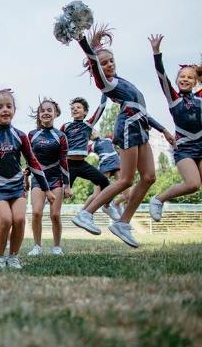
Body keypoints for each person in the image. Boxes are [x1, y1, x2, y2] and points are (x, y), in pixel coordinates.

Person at [71, 25, 174, 247]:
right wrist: (82, 42)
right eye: (103, 63)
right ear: (96, 67)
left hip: (140, 128)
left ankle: (123, 223)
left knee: (149, 177)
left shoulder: (124, 81)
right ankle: (86, 213)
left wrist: (163, 130)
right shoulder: (106, 83)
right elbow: (93, 59)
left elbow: (142, 110)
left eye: (111, 60)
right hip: (126, 127)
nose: (108, 64)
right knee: (126, 179)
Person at [0, 90, 55, 269]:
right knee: (5, 220)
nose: (5, 110)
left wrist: (46, 189)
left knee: (19, 220)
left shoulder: (20, 136)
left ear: (14, 110)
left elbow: (33, 161)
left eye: (8, 106)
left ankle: (13, 257)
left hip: (17, 185)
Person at [148, 34, 202, 220]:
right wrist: (156, 53)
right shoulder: (174, 98)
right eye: (182, 76)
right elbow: (162, 76)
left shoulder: (200, 97)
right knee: (193, 184)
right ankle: (159, 199)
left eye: (190, 77)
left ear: (196, 82)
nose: (185, 79)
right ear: (177, 79)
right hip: (184, 148)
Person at [27, 98, 71, 257]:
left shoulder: (61, 136)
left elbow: (64, 161)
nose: (46, 113)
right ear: (38, 114)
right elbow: (29, 158)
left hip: (56, 179)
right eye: (42, 110)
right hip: (38, 180)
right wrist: (26, 173)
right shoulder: (31, 135)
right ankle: (37, 246)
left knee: (55, 215)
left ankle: (57, 246)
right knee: (36, 212)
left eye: (49, 110)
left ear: (55, 114)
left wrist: (67, 185)